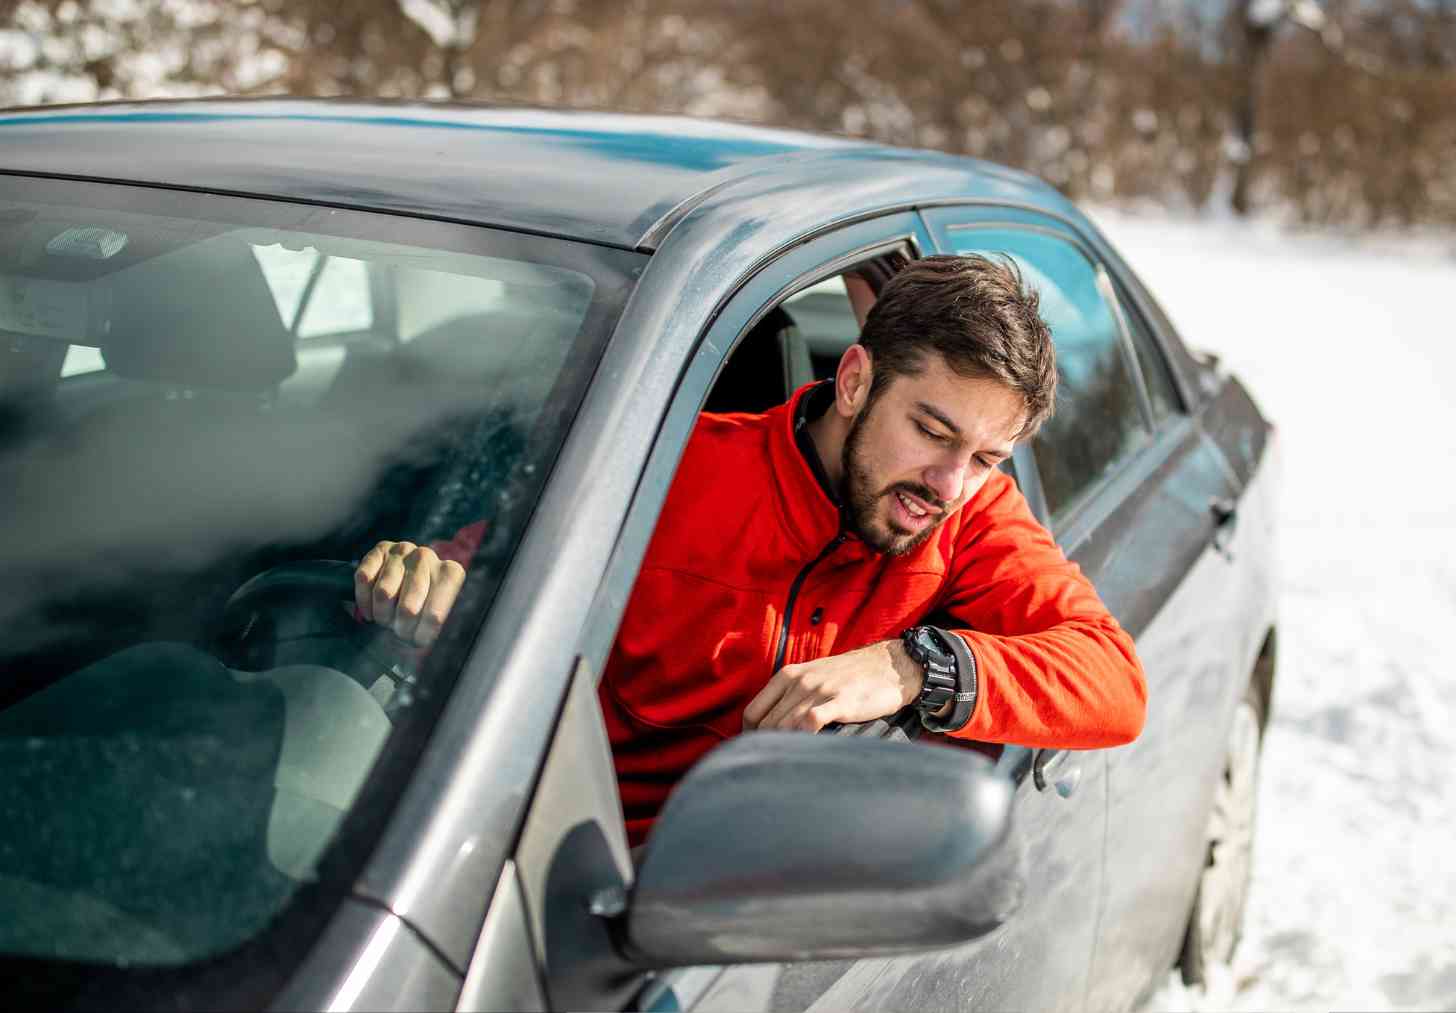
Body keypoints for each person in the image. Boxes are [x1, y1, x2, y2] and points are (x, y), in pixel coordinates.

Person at [353, 254, 1148, 845]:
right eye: (931, 431)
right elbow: (465, 576)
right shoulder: (660, 469)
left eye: (984, 457)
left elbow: (1114, 681)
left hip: (776, 908)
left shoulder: (971, 517)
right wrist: (417, 577)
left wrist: (914, 666)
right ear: (855, 382)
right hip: (564, 885)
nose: (947, 482)